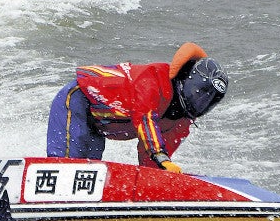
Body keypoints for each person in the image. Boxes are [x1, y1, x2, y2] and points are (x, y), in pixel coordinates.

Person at [46, 42, 228, 173]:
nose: (200, 102)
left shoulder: (181, 122)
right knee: (68, 168)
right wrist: (161, 157)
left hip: (98, 124)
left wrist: (159, 176)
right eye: (199, 93)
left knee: (89, 173)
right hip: (79, 98)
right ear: (187, 79)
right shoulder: (155, 79)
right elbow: (145, 118)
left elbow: (151, 162)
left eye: (208, 100)